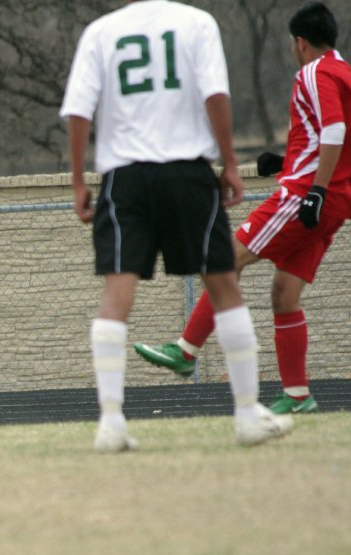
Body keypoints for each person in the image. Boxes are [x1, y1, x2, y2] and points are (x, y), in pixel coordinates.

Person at [59, 0, 293, 452]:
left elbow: (78, 112)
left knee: (116, 294)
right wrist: (228, 162)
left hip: (124, 177)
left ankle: (111, 422)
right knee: (224, 285)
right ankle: (247, 413)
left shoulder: (102, 31)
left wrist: (76, 181)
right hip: (186, 171)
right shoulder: (196, 22)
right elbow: (215, 95)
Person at [134, 2, 351, 416]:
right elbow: (338, 138)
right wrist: (286, 162)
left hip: (305, 196)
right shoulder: (345, 72)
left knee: (225, 259)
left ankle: (186, 350)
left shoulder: (314, 71)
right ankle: (298, 394)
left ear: (299, 42)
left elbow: (335, 129)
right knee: (285, 295)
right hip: (334, 201)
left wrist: (314, 189)